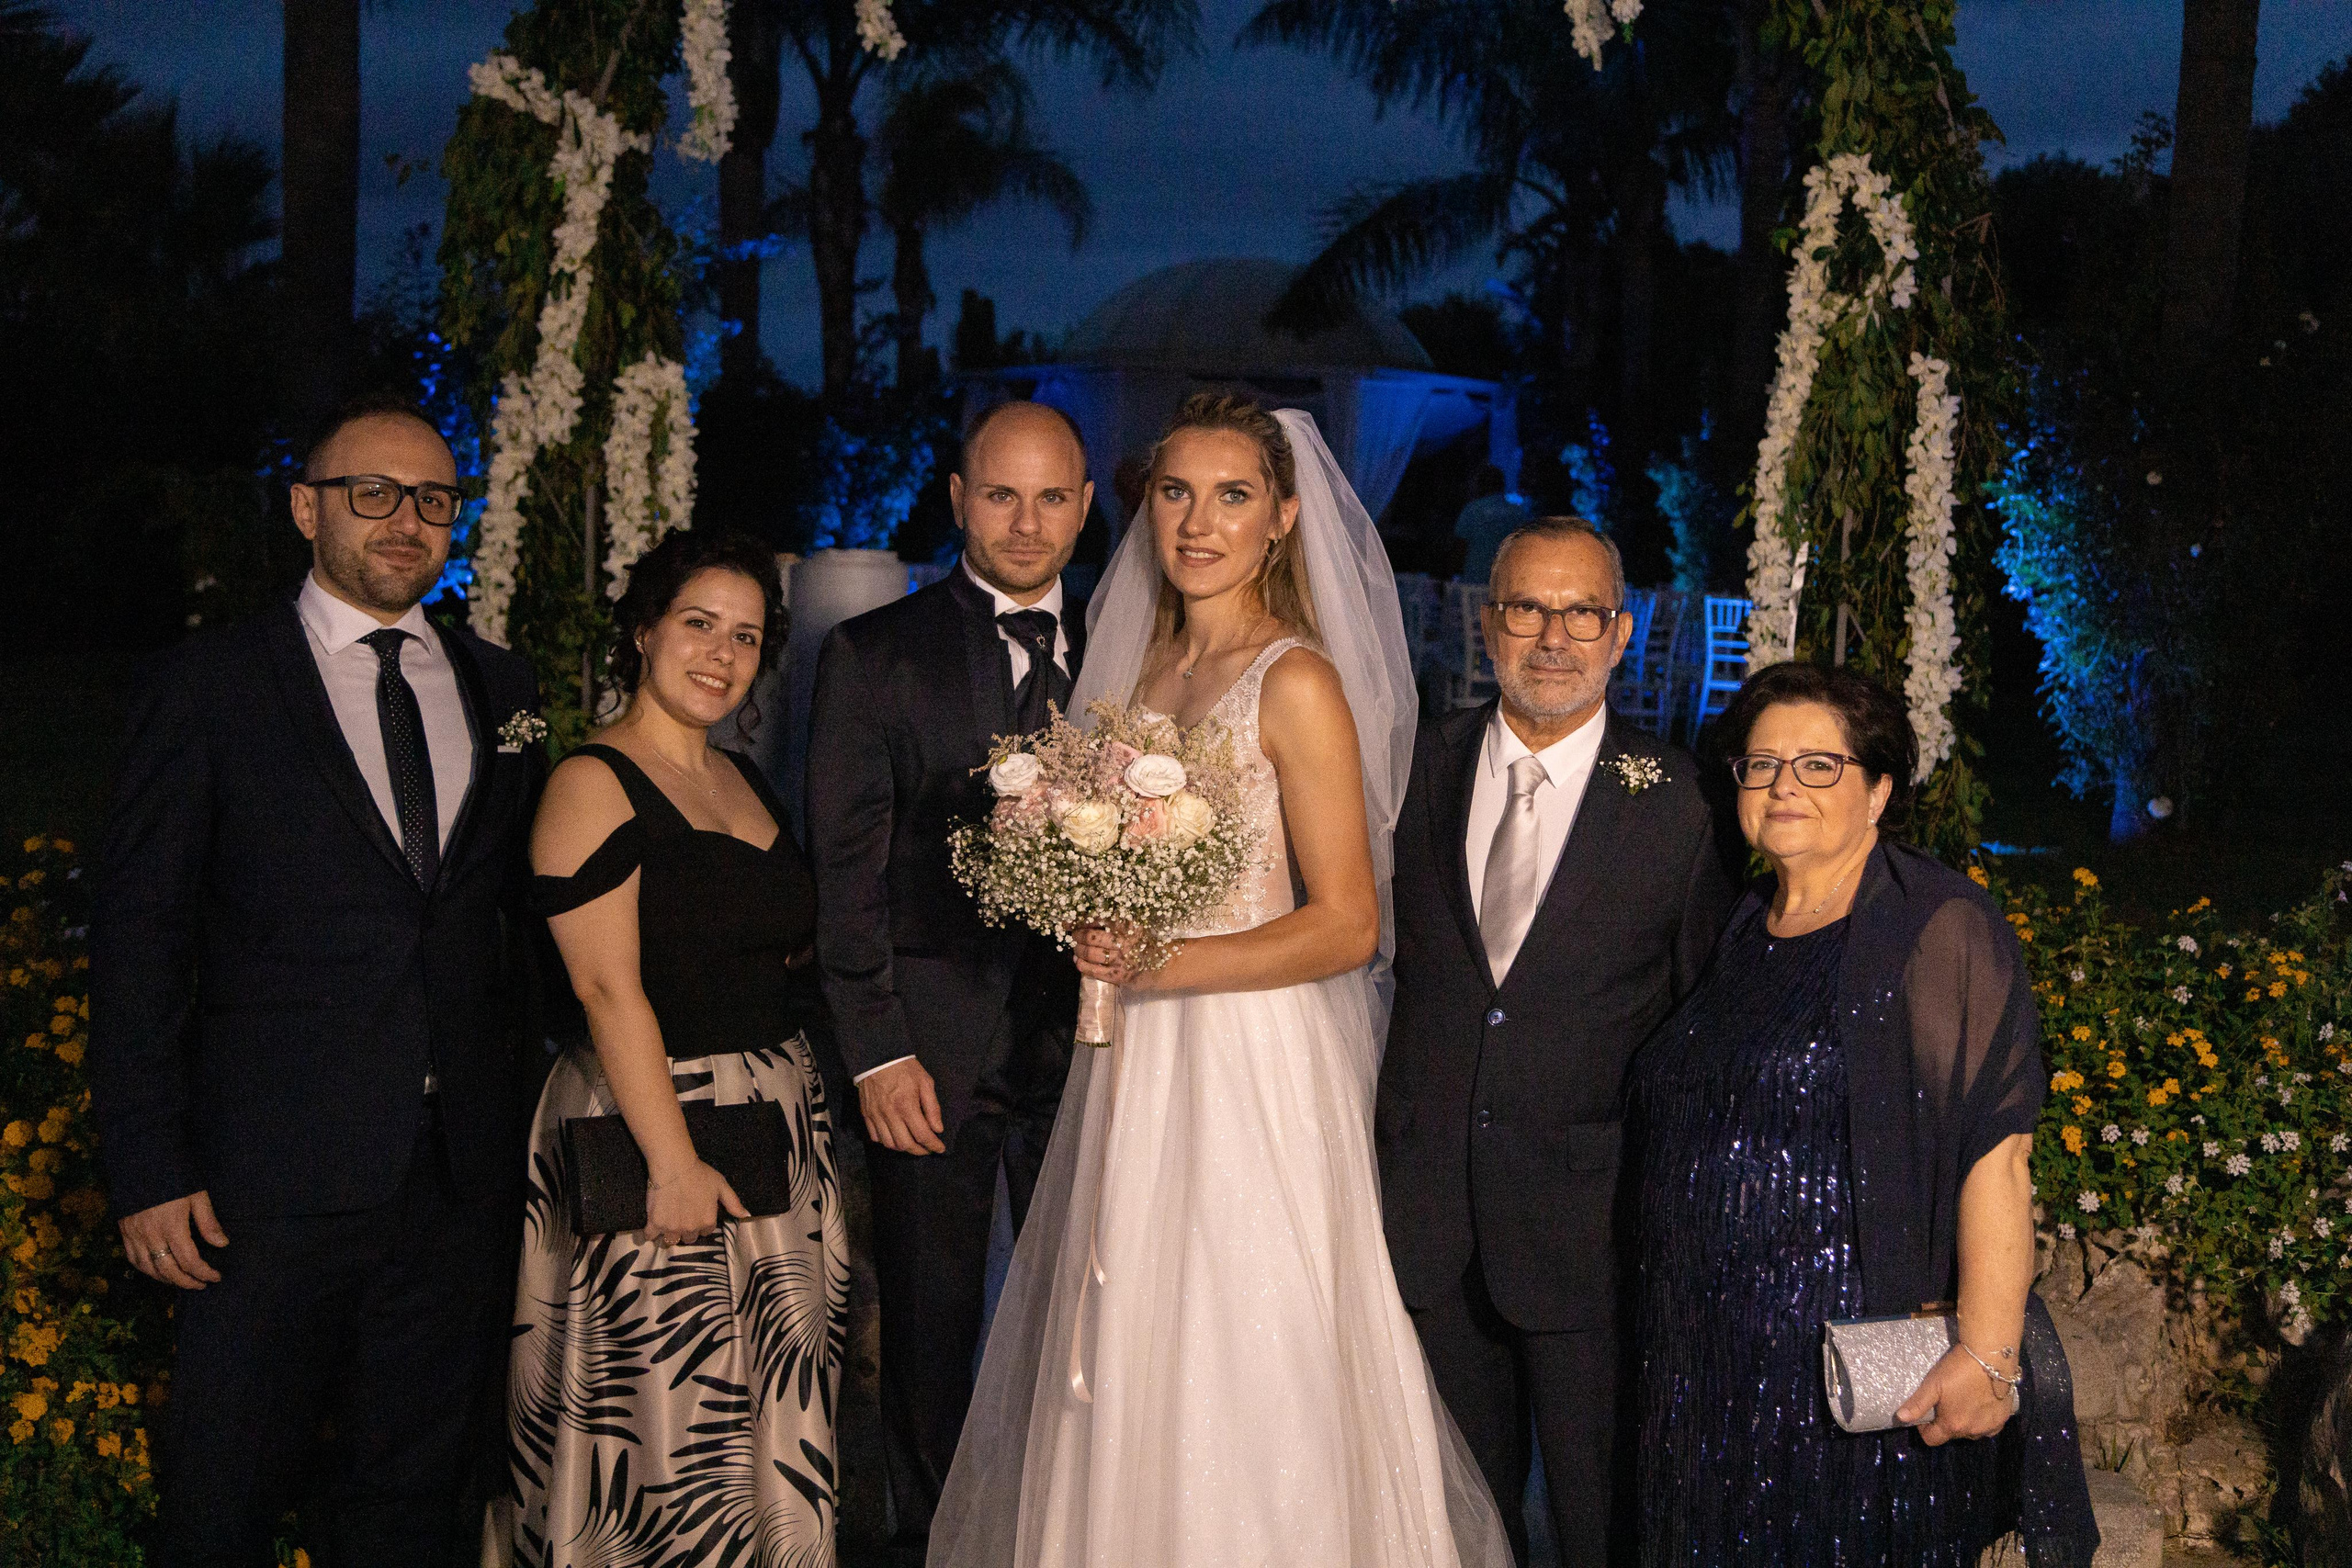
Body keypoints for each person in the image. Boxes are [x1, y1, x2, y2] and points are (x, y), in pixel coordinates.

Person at [927, 393, 1514, 1568]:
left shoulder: (1293, 681)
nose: (1198, 522)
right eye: (1177, 493)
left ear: (1284, 518)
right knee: (1128, 1327)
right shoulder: (1138, 669)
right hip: (1139, 1054)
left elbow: (1349, 924)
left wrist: (1164, 960)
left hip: (1252, 1056)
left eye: (1233, 495)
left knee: (1243, 1334)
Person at [89, 394, 543, 1566]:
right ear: (306, 509)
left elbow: (526, 920)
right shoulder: (208, 688)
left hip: (453, 1185)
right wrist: (148, 1165)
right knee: (223, 1497)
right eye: (373, 494)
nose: (406, 521)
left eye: (434, 500)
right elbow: (138, 936)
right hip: (267, 1181)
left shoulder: (505, 687)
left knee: (407, 1502)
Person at [1630, 662, 2098, 1566]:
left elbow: (1992, 1157)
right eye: (1760, 765)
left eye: (1817, 765)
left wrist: (1990, 1356)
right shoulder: (1743, 928)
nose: (1781, 787)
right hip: (1700, 1353)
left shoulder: (1935, 928)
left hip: (1848, 1366)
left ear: (1879, 788)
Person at [1378, 516, 1738, 1566]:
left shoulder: (1685, 807)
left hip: (1591, 1231)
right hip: (1425, 1220)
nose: (1553, 636)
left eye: (1581, 611)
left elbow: (1698, 1027)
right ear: (1485, 625)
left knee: (1601, 1520)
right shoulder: (1406, 771)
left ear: (1620, 633)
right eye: (1527, 608)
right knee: (1457, 1524)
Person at [506, 530, 847, 1563]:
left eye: (745, 636)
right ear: (644, 629)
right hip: (654, 1126)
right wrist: (672, 1161)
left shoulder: (743, 778)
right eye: (698, 623)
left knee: (769, 1435)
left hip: (777, 1124)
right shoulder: (591, 781)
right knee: (663, 1430)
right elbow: (606, 989)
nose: (720, 653)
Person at [804, 400, 1089, 1566]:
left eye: (1053, 496)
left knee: (1088, 1309)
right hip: (928, 1050)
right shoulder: (875, 656)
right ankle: (929, 1537)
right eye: (1002, 494)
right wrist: (875, 1048)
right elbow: (845, 873)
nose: (1027, 523)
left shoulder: (1132, 649)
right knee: (928, 1321)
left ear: (1083, 504)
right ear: (960, 498)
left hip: (1100, 1045)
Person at [1452, 464, 1529, 582]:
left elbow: (1461, 546)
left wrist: (1455, 572)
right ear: (1502, 485)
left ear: (1480, 485)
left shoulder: (1472, 510)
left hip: (1475, 579)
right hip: (1507, 582)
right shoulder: (1518, 513)